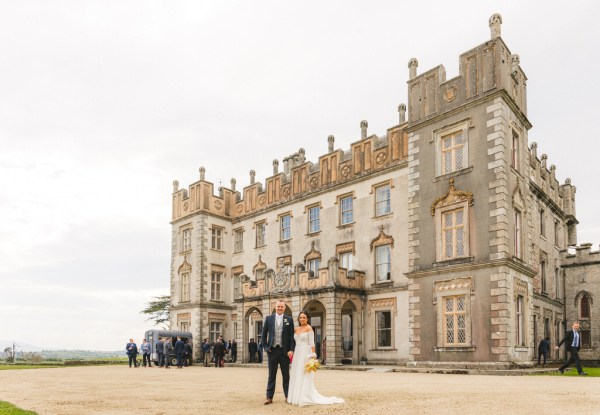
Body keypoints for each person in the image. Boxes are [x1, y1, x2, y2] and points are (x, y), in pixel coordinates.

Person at [287, 311, 344, 406]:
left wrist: (313, 356)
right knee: (297, 373)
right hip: (297, 353)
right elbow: (288, 335)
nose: (302, 319)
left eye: (304, 317)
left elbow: (312, 343)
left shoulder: (309, 328)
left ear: (307, 318)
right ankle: (295, 396)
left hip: (305, 352)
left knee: (303, 373)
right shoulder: (296, 329)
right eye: (300, 317)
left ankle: (303, 396)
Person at [261, 300, 295, 405]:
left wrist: (291, 349)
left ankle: (288, 396)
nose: (280, 308)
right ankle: (269, 397)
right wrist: (266, 347)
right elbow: (263, 335)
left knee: (286, 375)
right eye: (278, 306)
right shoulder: (269, 318)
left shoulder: (289, 319)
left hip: (284, 352)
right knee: (272, 375)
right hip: (273, 350)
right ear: (275, 307)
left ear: (284, 308)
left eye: (282, 306)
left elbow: (291, 337)